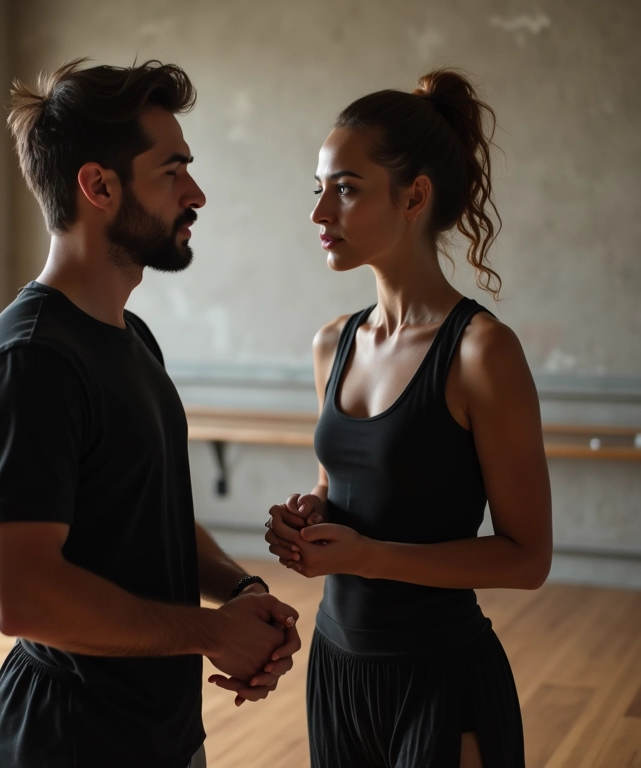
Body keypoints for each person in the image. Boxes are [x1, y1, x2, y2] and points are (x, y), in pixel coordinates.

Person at [0, 58, 301, 768]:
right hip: (73, 739)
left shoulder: (130, 336)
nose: (196, 194)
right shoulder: (33, 360)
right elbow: (22, 597)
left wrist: (240, 593)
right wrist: (213, 634)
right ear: (99, 186)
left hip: (159, 729)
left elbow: (152, 515)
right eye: (172, 172)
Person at [265, 69, 552, 768]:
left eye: (345, 188)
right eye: (318, 189)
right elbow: (340, 483)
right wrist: (311, 514)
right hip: (336, 668)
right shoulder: (332, 342)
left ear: (414, 196)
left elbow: (528, 558)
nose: (319, 213)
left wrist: (369, 556)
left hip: (441, 677)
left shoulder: (482, 352)